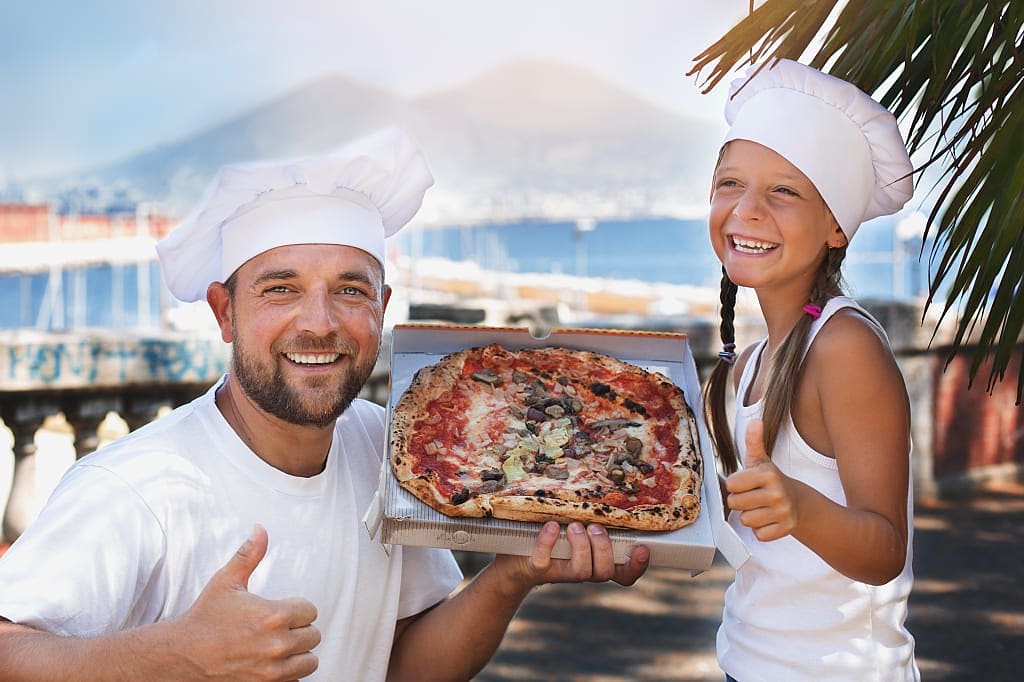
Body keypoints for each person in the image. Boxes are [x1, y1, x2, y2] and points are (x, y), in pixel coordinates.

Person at [0, 128, 650, 681]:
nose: (320, 322)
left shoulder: (392, 449)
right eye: (281, 289)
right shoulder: (138, 487)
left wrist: (511, 576)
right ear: (225, 314)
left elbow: (403, 663)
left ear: (382, 310)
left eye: (348, 290)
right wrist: (173, 653)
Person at [700, 59, 920, 680]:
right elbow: (757, 534)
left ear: (834, 227)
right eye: (729, 183)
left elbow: (884, 549)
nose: (746, 209)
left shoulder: (844, 347)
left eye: (784, 190)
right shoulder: (749, 365)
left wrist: (799, 506)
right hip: (747, 663)